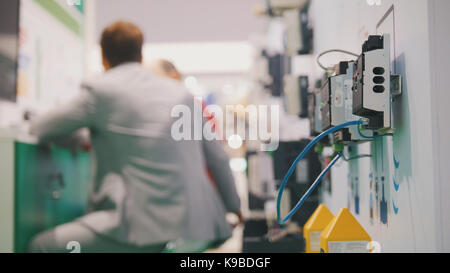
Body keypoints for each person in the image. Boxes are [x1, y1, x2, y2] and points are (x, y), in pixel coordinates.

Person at [28, 21, 241, 253]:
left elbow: (41, 128)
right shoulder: (182, 94)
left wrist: (85, 136)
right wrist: (235, 207)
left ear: (103, 57)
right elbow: (218, 157)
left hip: (143, 230)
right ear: (140, 55)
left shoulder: (102, 90)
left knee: (43, 246)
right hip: (199, 226)